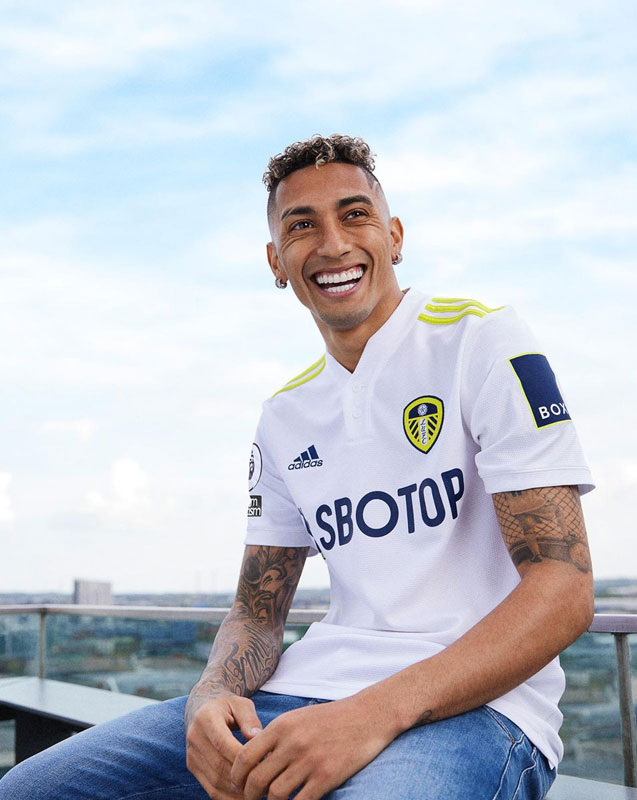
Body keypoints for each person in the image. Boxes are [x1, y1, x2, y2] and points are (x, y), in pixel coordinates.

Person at [0, 134, 594, 800]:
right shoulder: (286, 414)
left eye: (355, 215)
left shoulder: (480, 340)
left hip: (478, 711)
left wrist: (367, 716)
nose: (333, 244)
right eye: (301, 226)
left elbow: (564, 588)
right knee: (31, 790)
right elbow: (257, 613)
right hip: (302, 695)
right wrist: (209, 695)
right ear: (276, 261)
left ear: (395, 236)